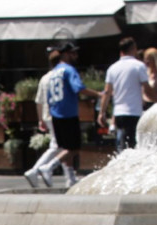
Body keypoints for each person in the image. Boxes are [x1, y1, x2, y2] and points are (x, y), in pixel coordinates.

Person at [35, 40, 103, 188]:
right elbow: (78, 88)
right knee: (73, 148)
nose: (76, 56)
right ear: (66, 54)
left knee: (65, 147)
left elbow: (47, 96)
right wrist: (98, 94)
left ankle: (70, 178)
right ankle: (49, 167)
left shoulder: (53, 73)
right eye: (73, 53)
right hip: (68, 113)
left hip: (56, 114)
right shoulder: (69, 70)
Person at [100, 36, 148, 154]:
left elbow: (107, 92)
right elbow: (146, 87)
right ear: (134, 49)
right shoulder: (139, 66)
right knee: (133, 146)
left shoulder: (112, 68)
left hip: (119, 113)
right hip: (134, 111)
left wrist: (102, 112)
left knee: (122, 144)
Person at [24, 49, 64, 187]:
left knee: (59, 145)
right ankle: (37, 170)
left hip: (48, 115)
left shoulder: (44, 78)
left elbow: (38, 101)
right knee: (59, 146)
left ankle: (43, 171)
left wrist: (40, 118)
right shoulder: (59, 76)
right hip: (58, 114)